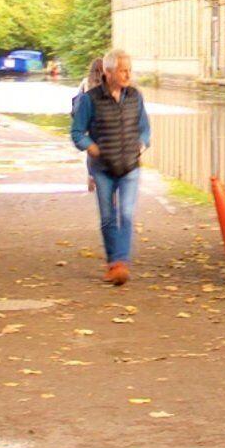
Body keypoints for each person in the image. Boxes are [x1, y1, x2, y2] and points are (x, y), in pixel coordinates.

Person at [68, 50, 152, 284]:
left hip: (130, 166)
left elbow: (145, 128)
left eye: (129, 70)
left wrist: (142, 143)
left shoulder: (135, 96)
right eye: (123, 70)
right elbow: (77, 133)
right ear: (108, 72)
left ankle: (119, 262)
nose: (128, 75)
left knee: (125, 214)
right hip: (102, 168)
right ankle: (113, 262)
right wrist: (90, 147)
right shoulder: (90, 99)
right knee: (107, 217)